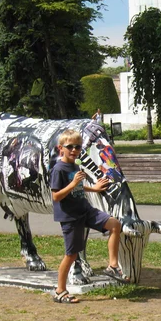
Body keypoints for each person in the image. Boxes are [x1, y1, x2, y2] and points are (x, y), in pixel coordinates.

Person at [50, 129, 125, 304]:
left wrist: (94, 188)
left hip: (85, 210)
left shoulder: (75, 165)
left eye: (78, 147)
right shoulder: (58, 169)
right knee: (72, 255)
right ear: (60, 148)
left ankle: (113, 266)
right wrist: (74, 182)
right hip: (71, 217)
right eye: (70, 147)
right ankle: (60, 291)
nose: (74, 150)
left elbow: (77, 188)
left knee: (114, 225)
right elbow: (56, 196)